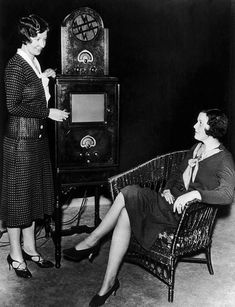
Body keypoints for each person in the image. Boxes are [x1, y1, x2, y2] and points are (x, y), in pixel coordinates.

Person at [63, 109, 235, 306]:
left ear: (212, 128)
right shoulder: (197, 147)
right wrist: (168, 189)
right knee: (126, 210)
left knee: (129, 192)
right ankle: (108, 283)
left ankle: (92, 240)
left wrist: (196, 193)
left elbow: (227, 195)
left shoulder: (224, 159)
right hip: (167, 204)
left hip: (184, 216)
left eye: (199, 122)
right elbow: (177, 173)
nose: (194, 126)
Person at [0, 14, 69, 278]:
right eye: (38, 39)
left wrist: (45, 76)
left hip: (36, 142)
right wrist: (47, 112)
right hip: (19, 142)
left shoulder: (32, 61)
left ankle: (29, 248)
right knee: (18, 202)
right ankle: (15, 255)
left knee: (31, 198)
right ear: (26, 38)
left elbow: (33, 88)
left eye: (44, 39)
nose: (42, 44)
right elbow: (13, 105)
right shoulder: (15, 65)